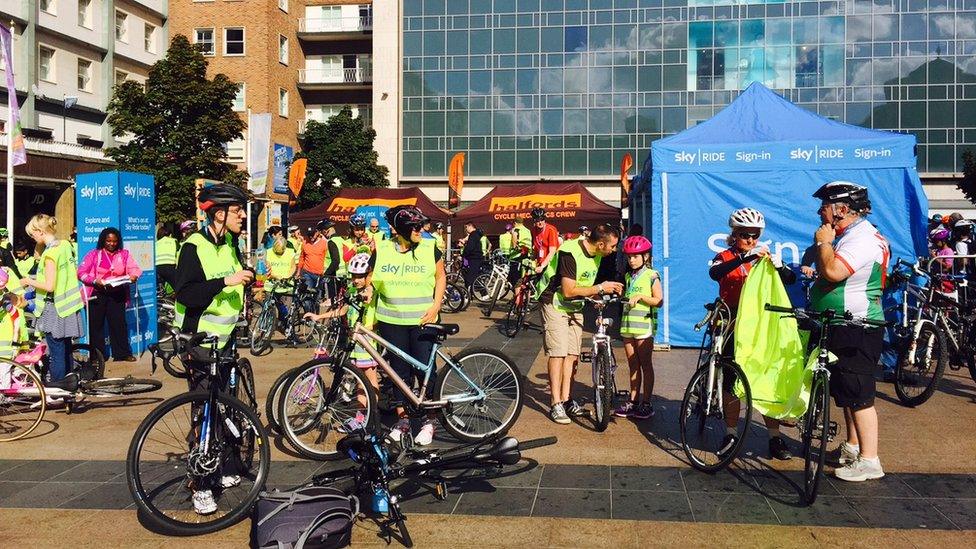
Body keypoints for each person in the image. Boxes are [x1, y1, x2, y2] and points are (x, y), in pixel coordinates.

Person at [173, 183, 253, 515]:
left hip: (227, 339)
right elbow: (186, 294)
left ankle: (225, 465)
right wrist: (226, 282)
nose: (244, 216)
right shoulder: (193, 246)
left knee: (226, 405)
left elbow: (231, 280)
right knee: (204, 411)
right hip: (201, 342)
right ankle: (200, 483)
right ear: (219, 215)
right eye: (238, 211)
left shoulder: (230, 243)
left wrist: (245, 284)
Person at [809, 181, 889, 482]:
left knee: (859, 393)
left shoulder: (862, 239)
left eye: (825, 206)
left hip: (857, 326)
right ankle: (854, 447)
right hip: (842, 324)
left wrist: (823, 243)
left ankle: (870, 460)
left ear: (842, 209)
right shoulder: (850, 235)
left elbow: (833, 272)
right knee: (847, 393)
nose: (820, 212)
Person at [708, 207, 796, 460]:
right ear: (734, 234)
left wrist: (779, 266)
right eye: (745, 235)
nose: (750, 240)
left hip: (760, 324)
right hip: (733, 320)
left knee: (767, 377)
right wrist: (744, 259)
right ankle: (731, 432)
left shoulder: (764, 255)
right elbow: (715, 273)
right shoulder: (724, 256)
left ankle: (774, 437)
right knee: (732, 380)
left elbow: (790, 280)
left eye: (755, 236)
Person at [370, 205, 446, 445]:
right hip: (391, 321)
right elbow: (373, 280)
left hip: (423, 321)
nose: (420, 230)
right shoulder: (381, 249)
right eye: (415, 226)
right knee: (397, 374)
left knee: (425, 373)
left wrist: (435, 306)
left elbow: (440, 276)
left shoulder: (429, 246)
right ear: (402, 228)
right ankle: (403, 420)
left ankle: (429, 421)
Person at [535, 223, 623, 424]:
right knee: (558, 352)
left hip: (575, 306)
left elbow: (588, 284)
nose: (614, 250)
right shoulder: (569, 252)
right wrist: (600, 288)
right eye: (612, 246)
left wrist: (599, 295)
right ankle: (555, 403)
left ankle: (566, 400)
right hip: (554, 301)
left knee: (573, 354)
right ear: (601, 244)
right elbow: (568, 290)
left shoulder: (600, 255)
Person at [21, 214, 85, 389]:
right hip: (69, 305)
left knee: (56, 353)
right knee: (66, 350)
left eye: (32, 234)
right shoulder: (65, 245)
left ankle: (58, 388)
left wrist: (28, 281)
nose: (32, 238)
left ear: (40, 231)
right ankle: (70, 385)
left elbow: (49, 285)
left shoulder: (50, 255)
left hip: (55, 308)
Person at [305, 253, 380, 399]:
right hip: (354, 340)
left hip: (367, 341)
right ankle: (362, 413)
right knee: (360, 381)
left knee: (370, 379)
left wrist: (371, 328)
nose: (356, 280)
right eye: (353, 276)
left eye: (360, 276)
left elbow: (378, 315)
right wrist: (319, 316)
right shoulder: (352, 291)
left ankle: (371, 414)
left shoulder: (373, 293)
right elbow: (343, 310)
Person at [614, 236, 663, 420]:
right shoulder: (628, 276)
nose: (632, 260)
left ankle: (647, 403)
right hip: (628, 325)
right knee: (632, 365)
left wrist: (641, 297)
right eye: (629, 257)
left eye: (636, 256)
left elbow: (659, 300)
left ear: (646, 256)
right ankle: (633, 401)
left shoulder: (652, 275)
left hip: (644, 326)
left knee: (645, 364)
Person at [77, 227, 142, 363]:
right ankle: (98, 357)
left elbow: (134, 268)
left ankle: (122, 354)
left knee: (119, 324)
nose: (111, 244)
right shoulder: (93, 254)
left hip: (117, 294)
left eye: (114, 241)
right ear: (103, 241)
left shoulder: (124, 254)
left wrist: (134, 276)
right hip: (97, 293)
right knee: (96, 326)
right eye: (108, 241)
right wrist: (95, 281)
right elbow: (81, 273)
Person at [265, 236, 297, 323]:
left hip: (286, 286)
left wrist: (288, 276)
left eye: (281, 252)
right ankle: (268, 327)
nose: (279, 254)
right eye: (277, 252)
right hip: (272, 285)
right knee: (268, 309)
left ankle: (285, 326)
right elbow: (267, 268)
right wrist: (274, 276)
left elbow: (293, 266)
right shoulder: (268, 252)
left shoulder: (290, 252)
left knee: (285, 311)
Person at [531, 208, 559, 274]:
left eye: (542, 219)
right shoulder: (533, 230)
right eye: (537, 220)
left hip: (551, 264)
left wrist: (542, 266)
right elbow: (535, 248)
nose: (540, 222)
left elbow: (552, 251)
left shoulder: (551, 229)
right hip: (539, 264)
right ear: (534, 221)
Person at [460, 222, 485, 291]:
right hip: (476, 257)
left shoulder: (473, 235)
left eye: (466, 227)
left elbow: (470, 247)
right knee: (474, 276)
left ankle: (480, 292)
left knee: (471, 277)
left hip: (474, 258)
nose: (466, 229)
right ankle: (473, 293)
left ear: (470, 226)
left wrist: (464, 254)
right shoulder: (477, 234)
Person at [155, 222, 179, 292]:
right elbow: (179, 252)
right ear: (170, 234)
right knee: (178, 287)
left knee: (160, 289)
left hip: (157, 267)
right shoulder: (174, 241)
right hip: (170, 266)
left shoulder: (156, 243)